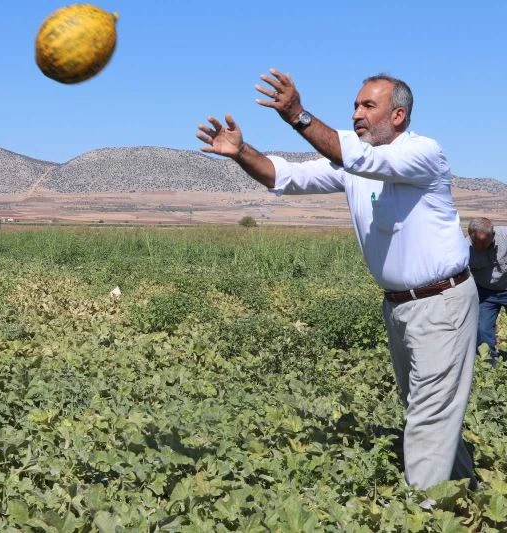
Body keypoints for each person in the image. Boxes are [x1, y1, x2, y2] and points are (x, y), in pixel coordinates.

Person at [196, 70, 478, 492]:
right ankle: (464, 492)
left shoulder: (422, 153)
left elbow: (361, 159)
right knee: (425, 407)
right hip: (399, 305)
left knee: (429, 413)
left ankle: (426, 512)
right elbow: (282, 176)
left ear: (398, 115)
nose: (356, 113)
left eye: (368, 106)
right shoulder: (354, 165)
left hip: (442, 303)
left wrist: (298, 115)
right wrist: (241, 152)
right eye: (355, 105)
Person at [468, 217, 507, 365]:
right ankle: (490, 366)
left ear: (493, 235)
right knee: (482, 330)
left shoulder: (505, 236)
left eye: (484, 243)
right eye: (476, 242)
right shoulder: (464, 248)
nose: (480, 248)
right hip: (485, 293)